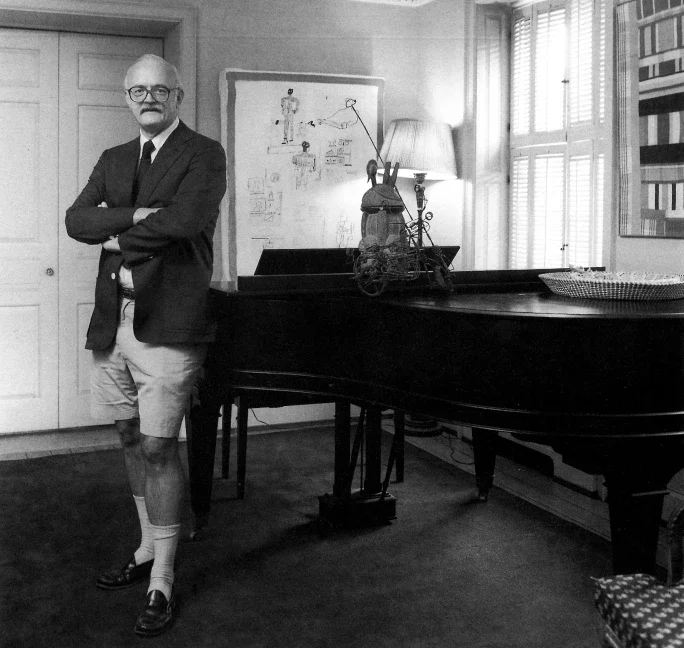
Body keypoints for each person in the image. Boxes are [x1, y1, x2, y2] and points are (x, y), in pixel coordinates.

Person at [65, 54, 226, 637]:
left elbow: (185, 221)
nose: (149, 97)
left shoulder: (204, 154)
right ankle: (145, 547)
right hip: (115, 320)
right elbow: (75, 221)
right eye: (139, 90)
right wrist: (136, 215)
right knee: (130, 437)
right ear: (127, 97)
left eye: (161, 89)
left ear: (178, 97)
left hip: (171, 322)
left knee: (159, 447)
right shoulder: (113, 158)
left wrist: (114, 234)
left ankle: (163, 576)